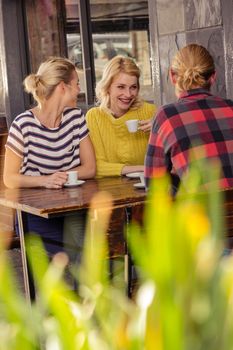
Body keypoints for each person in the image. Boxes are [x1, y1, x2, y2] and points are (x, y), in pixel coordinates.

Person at [3, 57, 96, 257]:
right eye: (77, 83)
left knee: (87, 252)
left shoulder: (76, 118)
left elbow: (90, 168)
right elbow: (9, 178)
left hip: (72, 206)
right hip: (36, 213)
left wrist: (58, 177)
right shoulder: (23, 125)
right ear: (63, 87)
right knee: (69, 255)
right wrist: (46, 181)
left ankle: (86, 288)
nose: (79, 89)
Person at [145, 43, 233, 193]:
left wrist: (179, 178)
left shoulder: (165, 116)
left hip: (201, 214)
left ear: (172, 76)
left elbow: (154, 185)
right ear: (213, 77)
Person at [86, 55, 156, 177]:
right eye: (121, 87)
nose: (128, 94)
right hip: (108, 192)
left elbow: (167, 159)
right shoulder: (94, 116)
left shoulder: (150, 112)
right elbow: (97, 167)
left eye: (133, 87)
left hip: (147, 187)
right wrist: (142, 168)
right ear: (107, 87)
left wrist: (161, 130)